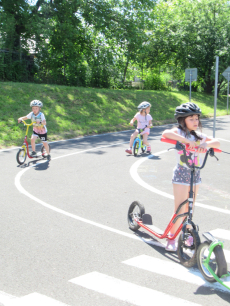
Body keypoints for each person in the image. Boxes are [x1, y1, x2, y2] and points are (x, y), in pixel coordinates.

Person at [162, 102, 220, 251]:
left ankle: (186, 236)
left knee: (190, 209)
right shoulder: (179, 133)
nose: (195, 122)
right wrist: (186, 141)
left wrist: (206, 145)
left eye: (197, 119)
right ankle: (172, 237)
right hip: (182, 173)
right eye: (191, 119)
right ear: (183, 120)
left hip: (196, 173)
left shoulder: (199, 136)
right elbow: (166, 134)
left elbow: (217, 142)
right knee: (180, 209)